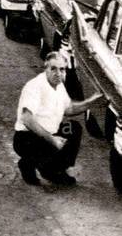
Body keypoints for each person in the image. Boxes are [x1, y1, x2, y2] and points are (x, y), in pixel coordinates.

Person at [13, 52, 103, 186]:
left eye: (62, 69)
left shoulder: (59, 86)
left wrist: (91, 102)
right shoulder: (35, 86)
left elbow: (69, 109)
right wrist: (52, 139)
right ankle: (31, 165)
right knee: (48, 147)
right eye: (53, 68)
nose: (58, 73)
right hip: (27, 138)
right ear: (46, 68)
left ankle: (56, 170)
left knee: (74, 128)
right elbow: (26, 118)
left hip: (49, 133)